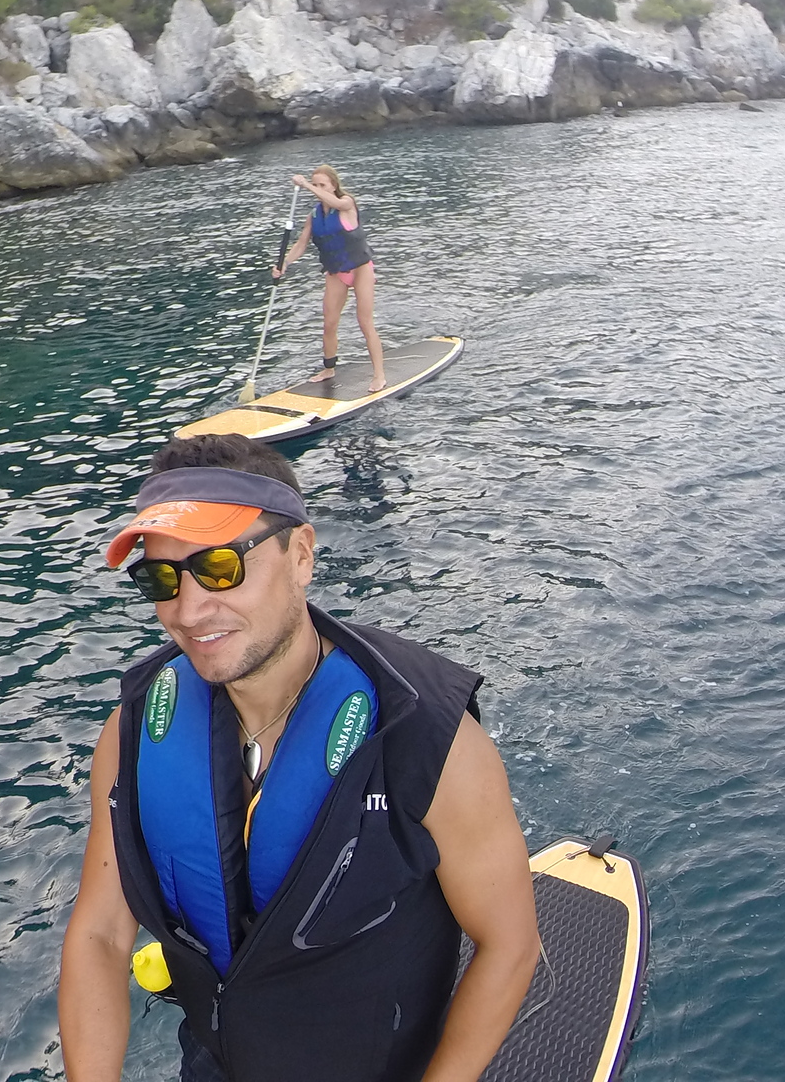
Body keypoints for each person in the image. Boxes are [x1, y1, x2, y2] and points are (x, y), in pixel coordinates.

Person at [58, 433, 540, 1082]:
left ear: (301, 556)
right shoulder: (136, 733)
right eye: (162, 577)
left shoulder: (425, 736)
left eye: (221, 567)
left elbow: (510, 946)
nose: (190, 607)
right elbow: (99, 936)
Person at [272, 165, 388, 394]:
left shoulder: (346, 204)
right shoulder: (314, 216)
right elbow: (301, 244)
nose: (317, 189)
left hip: (360, 268)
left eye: (322, 185)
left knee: (365, 322)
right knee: (329, 322)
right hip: (336, 272)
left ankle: (379, 375)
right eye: (314, 185)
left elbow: (334, 203)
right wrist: (284, 263)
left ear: (333, 186)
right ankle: (329, 368)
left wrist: (305, 185)